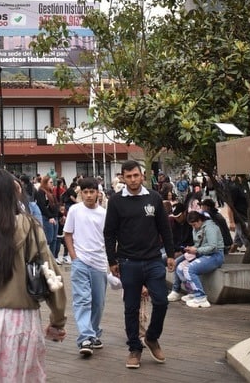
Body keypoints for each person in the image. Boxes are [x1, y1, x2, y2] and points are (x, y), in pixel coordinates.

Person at [0, 169, 67, 382]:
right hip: (24, 319)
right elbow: (51, 273)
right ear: (14, 194)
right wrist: (57, 321)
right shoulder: (30, 227)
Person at [103, 159, 175, 370]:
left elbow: (164, 228)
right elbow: (109, 233)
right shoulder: (116, 201)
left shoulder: (154, 197)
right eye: (128, 176)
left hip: (154, 260)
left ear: (142, 175)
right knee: (131, 308)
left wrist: (170, 254)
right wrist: (112, 260)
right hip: (128, 261)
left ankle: (152, 337)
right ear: (122, 178)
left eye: (136, 175)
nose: (133, 180)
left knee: (161, 301)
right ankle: (135, 348)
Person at [62, 177, 109, 357]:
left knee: (98, 302)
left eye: (92, 192)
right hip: (80, 262)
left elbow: (108, 239)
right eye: (85, 192)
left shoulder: (104, 214)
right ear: (81, 193)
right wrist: (74, 257)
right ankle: (85, 338)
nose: (89, 195)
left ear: (98, 193)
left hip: (98, 262)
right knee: (82, 300)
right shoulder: (75, 210)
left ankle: (94, 332)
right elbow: (67, 234)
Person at [180, 211, 226, 308]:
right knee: (180, 268)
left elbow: (213, 247)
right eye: (191, 225)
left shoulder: (210, 228)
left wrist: (196, 250)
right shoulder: (197, 228)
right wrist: (191, 249)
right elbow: (198, 244)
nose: (194, 227)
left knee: (188, 269)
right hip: (203, 254)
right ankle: (192, 293)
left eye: (194, 224)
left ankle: (200, 297)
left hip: (215, 256)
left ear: (200, 220)